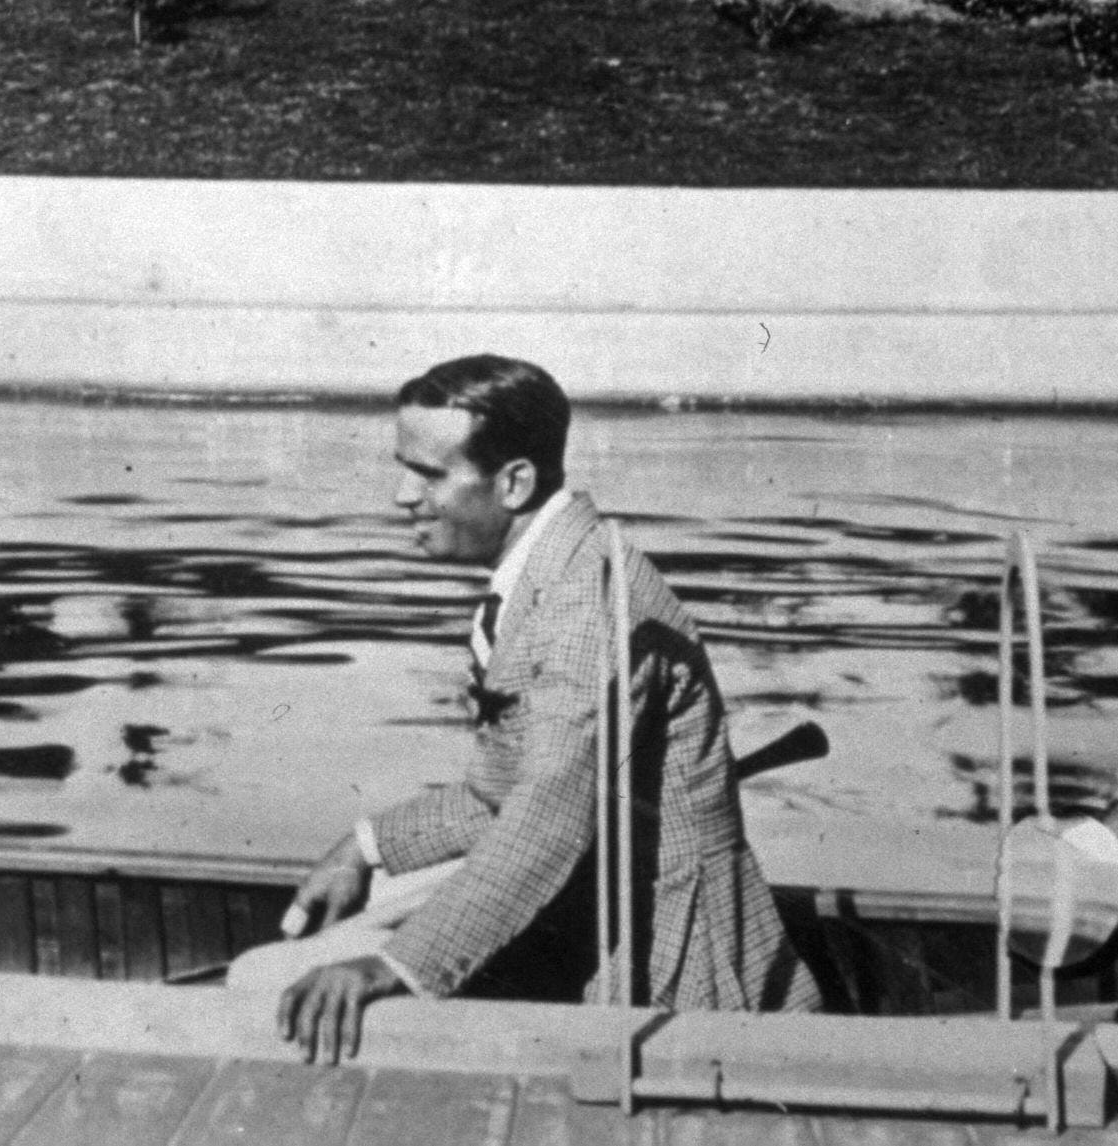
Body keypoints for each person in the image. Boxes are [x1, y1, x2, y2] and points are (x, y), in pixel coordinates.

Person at [241, 354, 814, 1061]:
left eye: (426, 474)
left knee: (265, 983)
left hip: (665, 970)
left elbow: (544, 815)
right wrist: (363, 847)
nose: (400, 496)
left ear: (513, 482)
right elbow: (502, 793)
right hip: (588, 908)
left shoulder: (583, 604)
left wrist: (394, 967)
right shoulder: (544, 576)